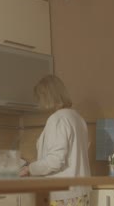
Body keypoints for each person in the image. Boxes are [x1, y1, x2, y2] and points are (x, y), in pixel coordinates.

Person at [19, 75, 91, 206]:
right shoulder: (78, 118)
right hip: (81, 193)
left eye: (40, 98)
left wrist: (30, 168)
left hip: (63, 196)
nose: (39, 103)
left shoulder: (57, 119)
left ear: (47, 97)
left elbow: (54, 161)